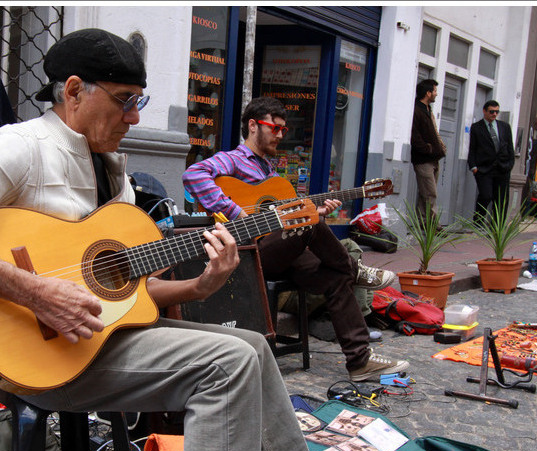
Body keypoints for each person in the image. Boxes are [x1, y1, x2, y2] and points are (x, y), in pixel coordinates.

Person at [0, 28, 361, 451]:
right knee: (228, 363)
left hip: (102, 337)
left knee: (254, 345)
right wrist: (34, 291)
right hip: (46, 355)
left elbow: (126, 296)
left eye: (138, 102)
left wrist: (199, 289)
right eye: (125, 102)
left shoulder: (111, 169)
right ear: (75, 91)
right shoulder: (19, 147)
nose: (135, 118)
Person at [182, 97, 409, 383]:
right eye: (274, 128)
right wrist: (238, 213)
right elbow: (193, 174)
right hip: (249, 252)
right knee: (306, 219)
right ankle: (357, 270)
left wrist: (320, 210)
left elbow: (291, 218)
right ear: (253, 126)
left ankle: (360, 360)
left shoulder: (272, 174)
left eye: (283, 130)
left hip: (282, 253)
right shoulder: (234, 160)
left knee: (334, 274)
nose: (279, 135)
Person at [467, 100, 515, 221]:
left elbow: (510, 147)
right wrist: (473, 167)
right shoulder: (477, 127)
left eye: (496, 112)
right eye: (491, 111)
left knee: (501, 200)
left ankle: (497, 228)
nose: (494, 114)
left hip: (502, 168)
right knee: (486, 195)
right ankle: (478, 221)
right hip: (484, 169)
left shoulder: (505, 127)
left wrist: (510, 164)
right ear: (484, 111)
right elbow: (472, 148)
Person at [410, 79, 446, 218]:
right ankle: (432, 225)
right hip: (423, 159)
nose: (436, 94)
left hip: (434, 158)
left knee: (425, 193)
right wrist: (428, 149)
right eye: (435, 91)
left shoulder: (427, 109)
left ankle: (422, 222)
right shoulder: (417, 110)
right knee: (430, 193)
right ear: (428, 93)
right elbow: (414, 135)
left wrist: (440, 147)